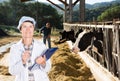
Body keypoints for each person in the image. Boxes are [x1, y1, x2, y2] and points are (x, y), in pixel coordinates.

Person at [9, 16, 51, 81]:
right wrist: (22, 62)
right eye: (25, 27)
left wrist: (43, 63)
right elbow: (12, 71)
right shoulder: (15, 48)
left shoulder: (42, 46)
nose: (28, 29)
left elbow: (48, 68)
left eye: (30, 27)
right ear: (20, 29)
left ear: (33, 29)